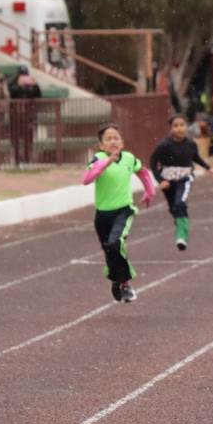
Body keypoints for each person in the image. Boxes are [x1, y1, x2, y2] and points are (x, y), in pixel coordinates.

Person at [82, 123, 157, 303]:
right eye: (108, 139)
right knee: (110, 251)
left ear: (122, 143)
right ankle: (117, 281)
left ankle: (125, 284)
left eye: (116, 138)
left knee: (116, 242)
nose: (113, 141)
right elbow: (86, 179)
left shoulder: (129, 158)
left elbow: (143, 172)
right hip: (102, 215)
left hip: (124, 211)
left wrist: (149, 191)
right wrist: (107, 162)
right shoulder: (98, 158)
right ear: (101, 145)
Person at [149, 114, 213, 250]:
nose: (179, 128)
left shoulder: (191, 144)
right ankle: (180, 220)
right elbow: (152, 162)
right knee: (174, 208)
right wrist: (160, 180)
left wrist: (209, 168)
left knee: (180, 203)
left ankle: (182, 237)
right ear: (170, 128)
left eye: (182, 125)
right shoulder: (163, 145)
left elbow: (196, 158)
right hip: (168, 181)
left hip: (185, 178)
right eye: (176, 126)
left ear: (186, 127)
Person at [7, 65, 42, 166]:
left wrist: (34, 85)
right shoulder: (12, 83)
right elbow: (12, 93)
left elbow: (38, 95)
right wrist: (20, 85)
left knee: (28, 139)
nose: (23, 76)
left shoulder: (31, 83)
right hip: (16, 115)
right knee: (16, 139)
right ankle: (17, 161)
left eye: (25, 74)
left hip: (29, 115)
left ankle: (27, 160)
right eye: (22, 74)